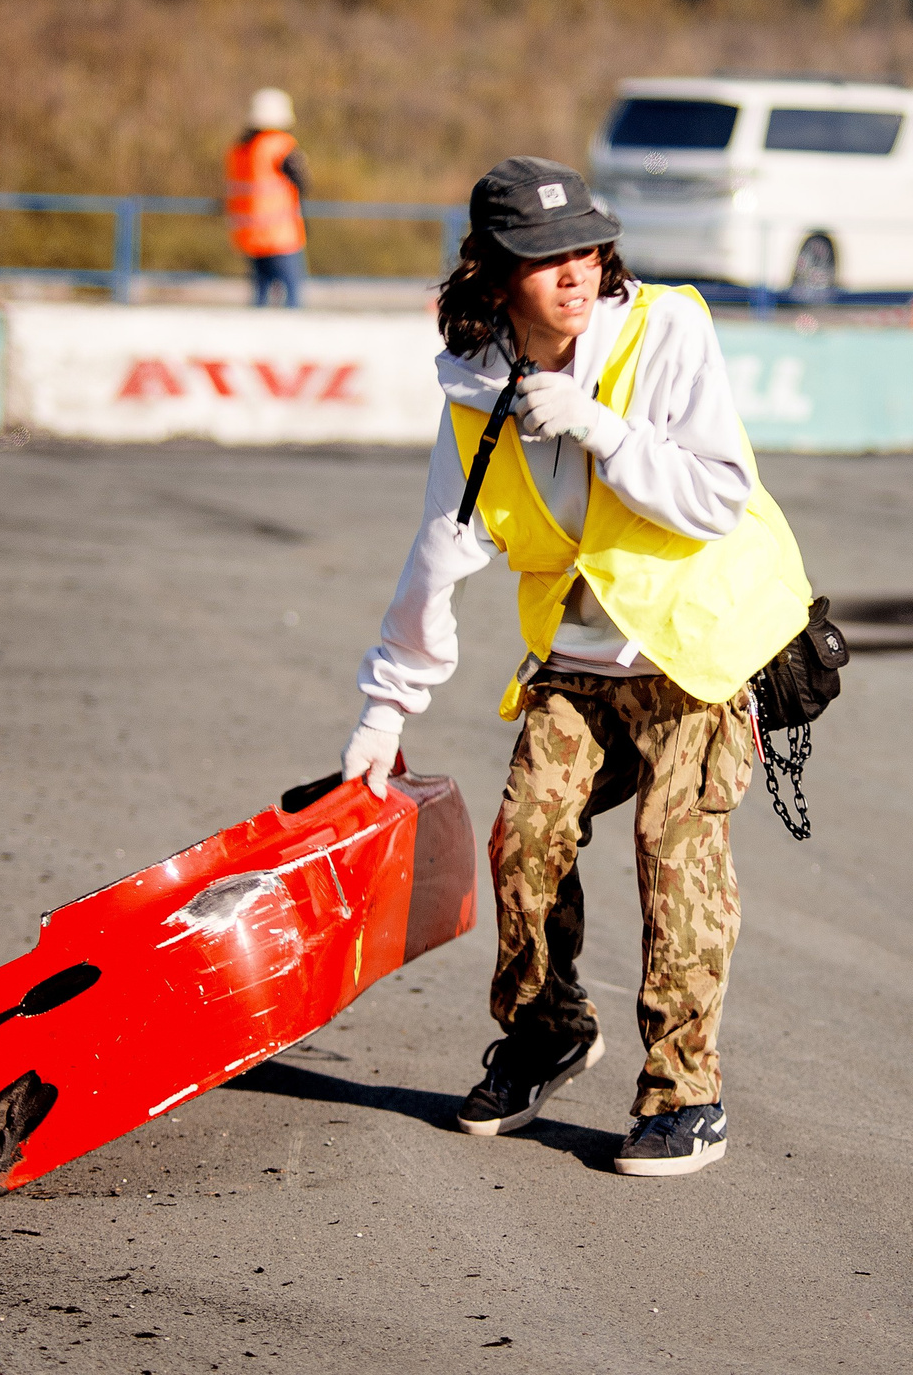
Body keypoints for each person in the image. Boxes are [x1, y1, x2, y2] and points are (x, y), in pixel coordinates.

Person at [340, 156, 814, 1178]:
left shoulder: (667, 329)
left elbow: (715, 498)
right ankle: (548, 1028)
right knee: (525, 843)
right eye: (543, 256)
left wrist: (602, 430)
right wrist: (384, 712)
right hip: (578, 652)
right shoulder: (473, 386)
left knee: (672, 858)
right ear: (494, 273)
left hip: (692, 645)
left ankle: (686, 1093)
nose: (573, 272)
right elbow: (442, 544)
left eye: (585, 248)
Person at [228, 88, 308, 308]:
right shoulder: (279, 145)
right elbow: (301, 182)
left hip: (248, 231)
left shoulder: (241, 148)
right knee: (291, 290)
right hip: (279, 232)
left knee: (261, 289)